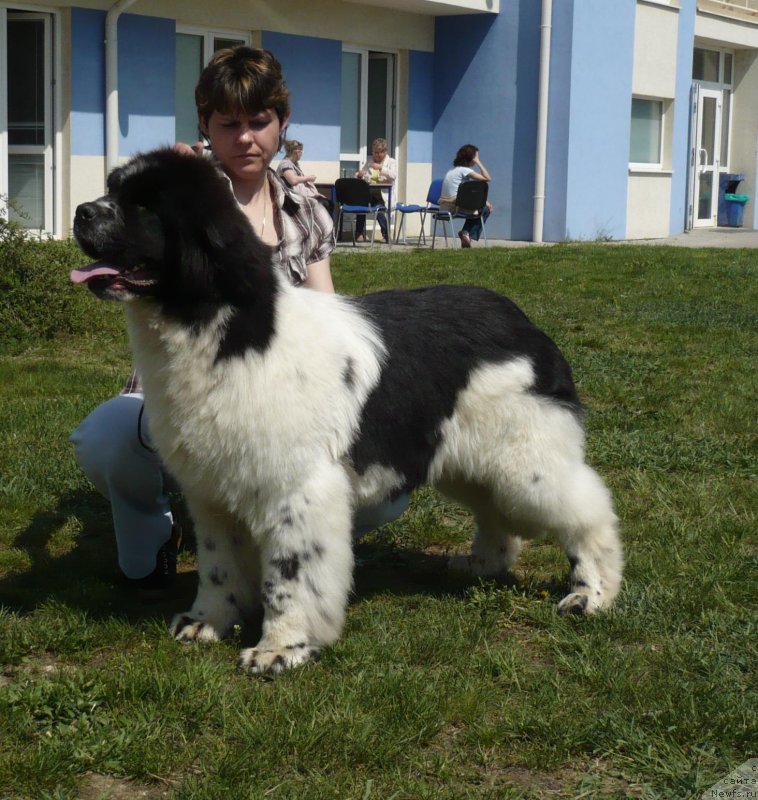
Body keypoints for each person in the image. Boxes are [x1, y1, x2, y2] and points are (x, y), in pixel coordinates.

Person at [71, 47, 408, 593]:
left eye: (259, 122)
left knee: (382, 493)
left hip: (273, 402)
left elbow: (329, 313)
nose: (245, 137)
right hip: (185, 397)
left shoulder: (307, 210)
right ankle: (158, 533)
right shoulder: (181, 196)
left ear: (281, 124)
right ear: (205, 125)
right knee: (109, 439)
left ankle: (265, 548)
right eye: (228, 124)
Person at [439, 144, 492, 248]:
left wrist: (483, 201)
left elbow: (465, 192)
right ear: (471, 157)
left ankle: (466, 235)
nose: (477, 159)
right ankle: (467, 234)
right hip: (456, 206)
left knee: (480, 206)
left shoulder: (453, 170)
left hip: (445, 206)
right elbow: (487, 178)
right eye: (476, 157)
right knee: (485, 209)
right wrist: (478, 162)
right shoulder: (464, 170)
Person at [354, 137, 396, 242]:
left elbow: (393, 175)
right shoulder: (370, 162)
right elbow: (361, 174)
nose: (376, 155)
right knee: (360, 204)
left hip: (384, 195)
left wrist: (381, 168)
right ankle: (359, 233)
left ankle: (386, 235)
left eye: (379, 153)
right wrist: (359, 175)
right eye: (374, 152)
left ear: (385, 152)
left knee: (378, 208)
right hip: (370, 194)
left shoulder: (391, 162)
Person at [276, 139, 334, 215]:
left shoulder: (295, 164)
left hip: (298, 196)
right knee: (324, 205)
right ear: (296, 152)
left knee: (328, 203)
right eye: (301, 151)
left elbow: (302, 186)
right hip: (290, 199)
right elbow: (293, 180)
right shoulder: (285, 164)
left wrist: (316, 194)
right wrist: (309, 178)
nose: (302, 153)